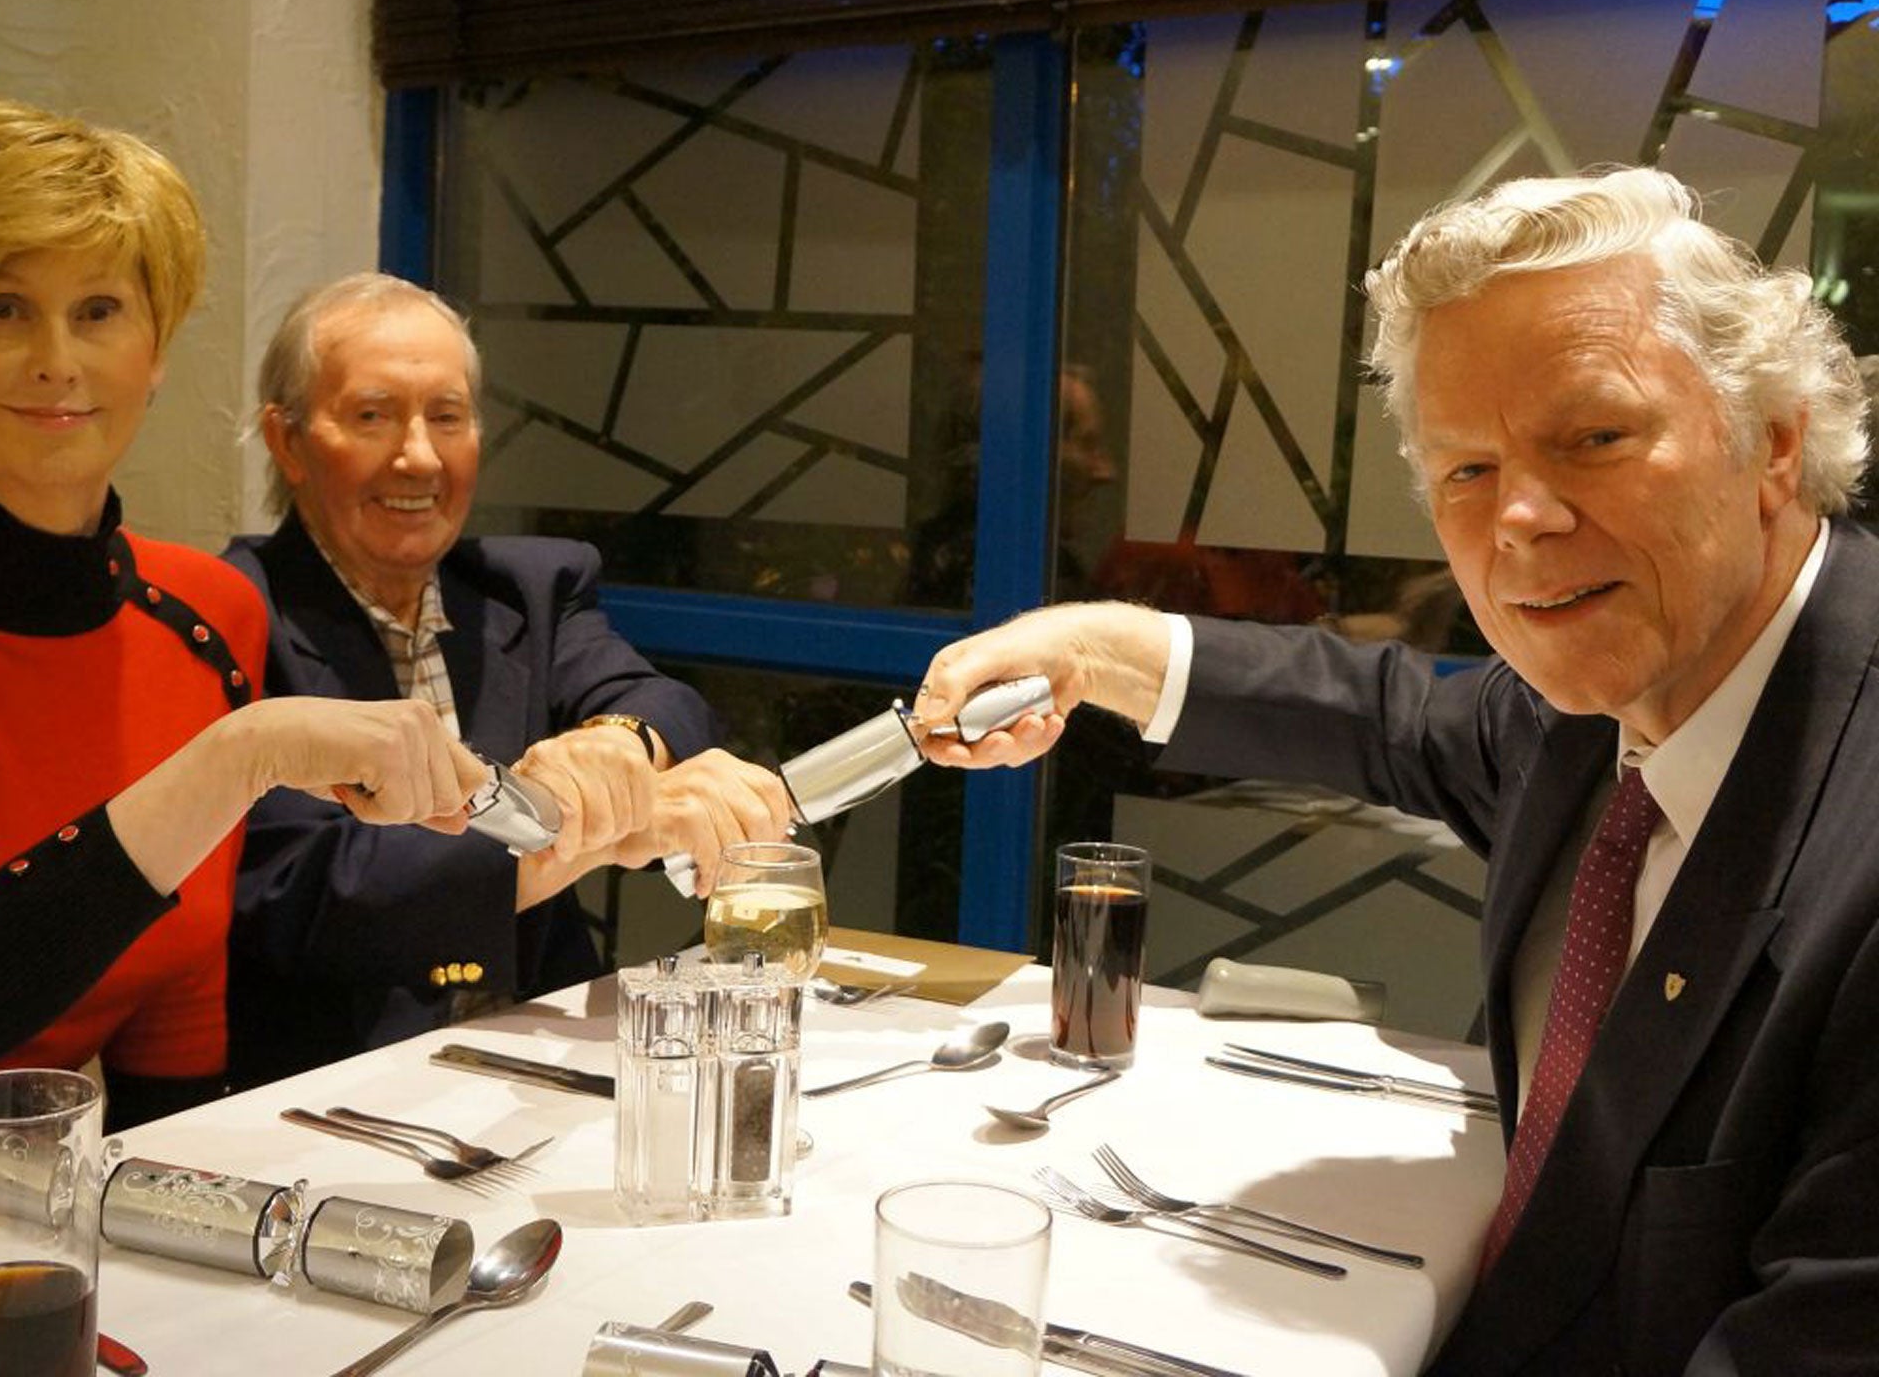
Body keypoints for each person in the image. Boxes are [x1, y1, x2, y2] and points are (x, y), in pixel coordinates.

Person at [912, 168, 1879, 1375]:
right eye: (1464, 471)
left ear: (1771, 441)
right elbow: (1386, 720)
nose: (1518, 517)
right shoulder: (1590, 706)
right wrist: (1088, 646)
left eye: (1592, 437)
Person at [0, 103, 489, 1220]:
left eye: (98, 311)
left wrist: (186, 1239)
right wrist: (241, 754)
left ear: (155, 351)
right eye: (3, 309)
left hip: (57, 1212)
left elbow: (175, 993)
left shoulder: (206, 608)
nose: (57, 361)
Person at [224, 272, 791, 1086]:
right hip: (327, 1082)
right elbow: (304, 891)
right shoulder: (234, 614)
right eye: (373, 415)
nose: (418, 454)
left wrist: (617, 751)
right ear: (288, 441)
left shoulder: (524, 587)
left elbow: (661, 702)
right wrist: (579, 825)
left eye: (447, 417)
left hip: (540, 1058)